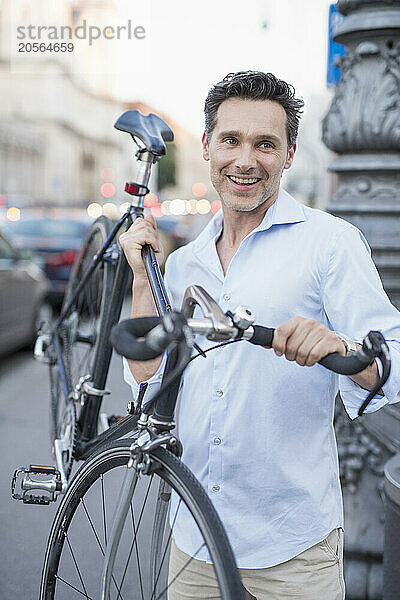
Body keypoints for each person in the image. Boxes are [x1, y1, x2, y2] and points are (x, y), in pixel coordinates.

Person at [119, 71, 400, 600]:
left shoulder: (330, 244)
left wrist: (340, 349)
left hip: (293, 549)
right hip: (194, 539)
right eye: (231, 140)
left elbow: (394, 361)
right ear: (207, 146)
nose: (245, 160)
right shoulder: (182, 265)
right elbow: (146, 390)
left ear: (289, 153)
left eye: (265, 144)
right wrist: (141, 282)